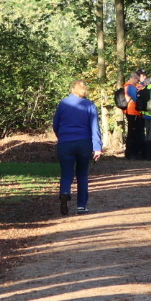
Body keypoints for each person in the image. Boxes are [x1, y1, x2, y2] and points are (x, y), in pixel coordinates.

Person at [52, 80, 103, 215]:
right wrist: (97, 147)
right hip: (83, 143)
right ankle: (81, 205)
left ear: (73, 89)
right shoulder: (90, 105)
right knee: (82, 174)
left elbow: (55, 124)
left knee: (66, 173)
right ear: (85, 90)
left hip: (65, 143)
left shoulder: (63, 103)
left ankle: (64, 192)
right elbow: (95, 128)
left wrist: (61, 137)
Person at [123, 72, 146, 160]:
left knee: (132, 133)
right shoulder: (130, 87)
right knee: (132, 133)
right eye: (136, 80)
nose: (137, 82)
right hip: (133, 112)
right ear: (133, 78)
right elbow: (136, 98)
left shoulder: (127, 86)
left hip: (132, 112)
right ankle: (132, 153)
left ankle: (131, 153)